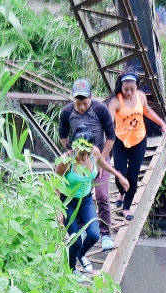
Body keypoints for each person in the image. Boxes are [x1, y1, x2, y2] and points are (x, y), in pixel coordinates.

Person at [54, 136, 129, 275]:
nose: (85, 158)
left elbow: (103, 164)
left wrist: (119, 176)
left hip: (86, 199)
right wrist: (59, 210)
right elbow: (56, 185)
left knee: (94, 235)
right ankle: (72, 271)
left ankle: (80, 254)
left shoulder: (93, 152)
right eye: (82, 154)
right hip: (68, 201)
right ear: (75, 147)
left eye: (88, 154)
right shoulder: (66, 160)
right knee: (75, 240)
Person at [59, 79, 118, 253]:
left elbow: (111, 137)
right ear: (73, 100)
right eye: (78, 103)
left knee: (101, 194)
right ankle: (80, 232)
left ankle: (105, 233)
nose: (82, 107)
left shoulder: (100, 110)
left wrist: (101, 161)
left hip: (98, 157)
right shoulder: (67, 112)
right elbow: (63, 135)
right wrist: (72, 155)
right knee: (77, 194)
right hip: (77, 158)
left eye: (85, 103)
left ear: (90, 98)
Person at [106, 73, 166, 222]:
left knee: (133, 177)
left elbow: (147, 111)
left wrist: (163, 125)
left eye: (132, 89)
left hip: (139, 141)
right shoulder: (115, 101)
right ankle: (121, 193)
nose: (128, 93)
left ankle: (126, 208)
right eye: (126, 89)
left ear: (136, 88)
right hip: (121, 141)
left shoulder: (140, 97)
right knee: (120, 175)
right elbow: (109, 124)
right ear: (120, 87)